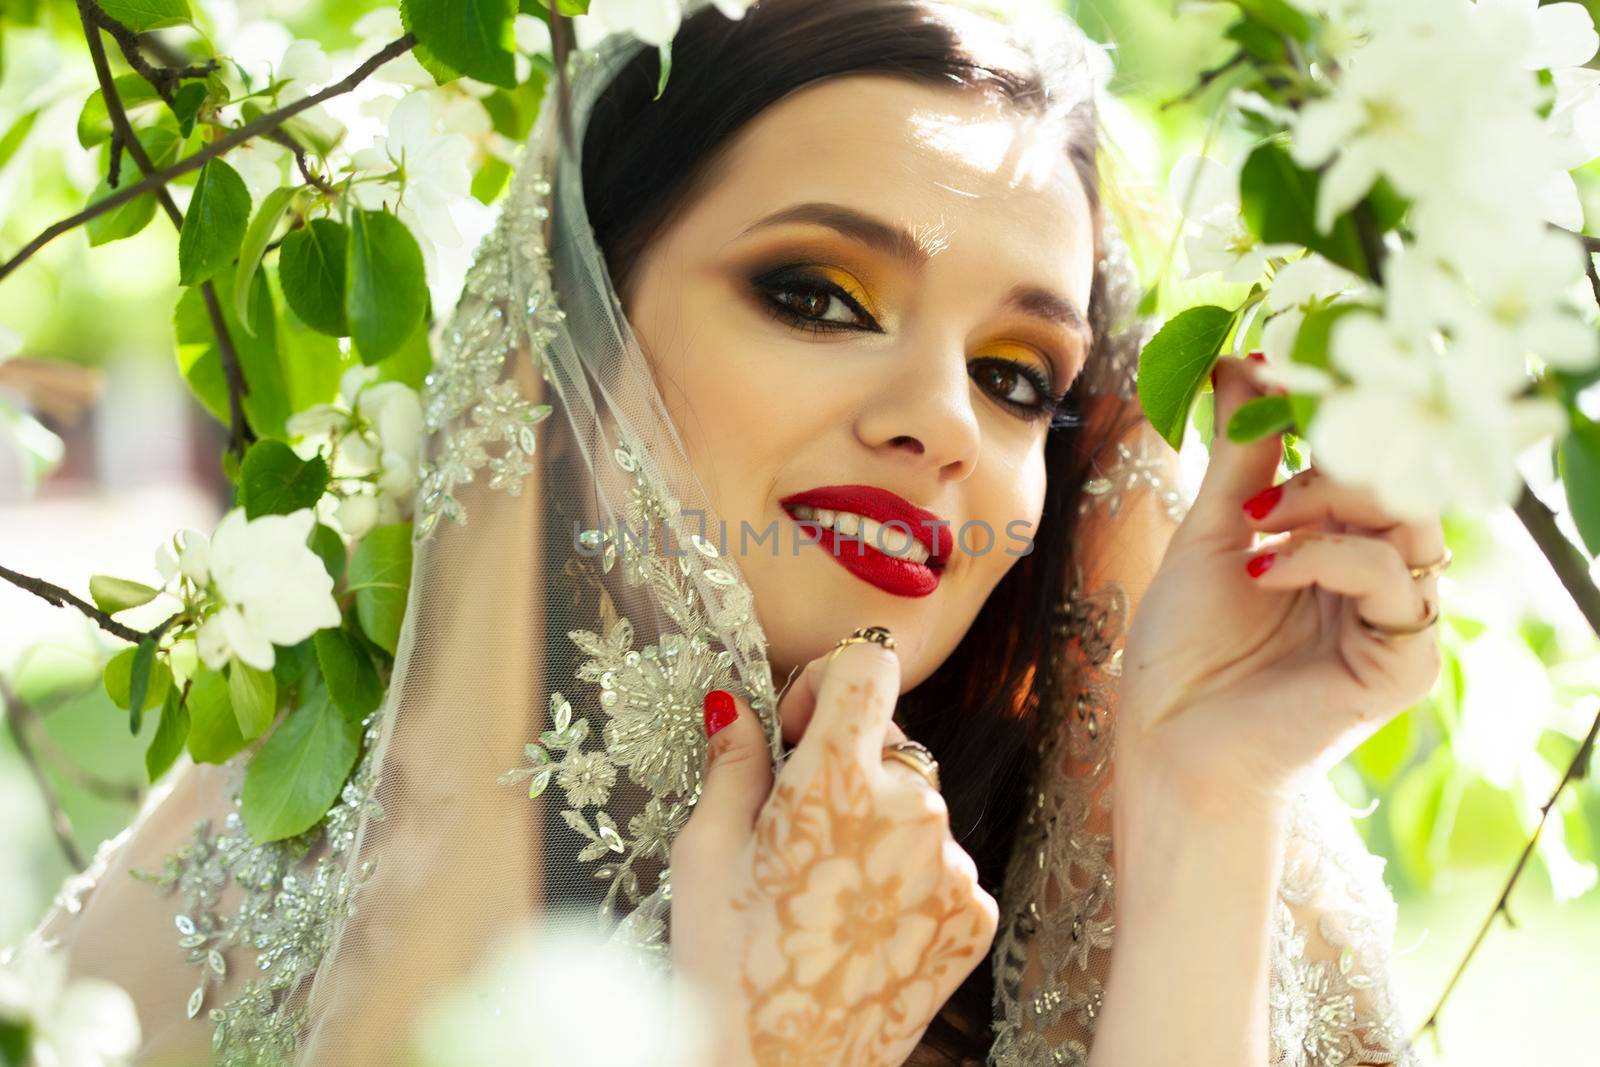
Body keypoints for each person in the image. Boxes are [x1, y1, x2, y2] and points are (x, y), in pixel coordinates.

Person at [11, 1, 1442, 1064]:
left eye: (1019, 381)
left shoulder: (1039, 916)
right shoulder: (258, 871)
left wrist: (1201, 797)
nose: (942, 423)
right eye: (816, 295)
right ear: (576, 337)